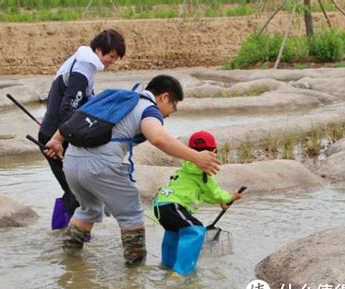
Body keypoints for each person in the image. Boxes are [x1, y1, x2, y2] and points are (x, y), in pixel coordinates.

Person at [44, 75, 221, 266]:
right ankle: (136, 274)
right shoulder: (148, 109)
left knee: (88, 210)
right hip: (101, 166)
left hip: (71, 162)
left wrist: (56, 140)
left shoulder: (116, 98)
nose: (170, 113)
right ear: (164, 97)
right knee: (132, 214)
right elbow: (158, 138)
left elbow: (75, 119)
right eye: (173, 107)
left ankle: (69, 263)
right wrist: (196, 157)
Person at [38, 29, 126, 216]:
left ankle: (59, 234)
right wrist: (62, 138)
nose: (113, 61)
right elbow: (67, 110)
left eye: (116, 58)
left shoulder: (81, 63)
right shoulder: (82, 70)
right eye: (111, 56)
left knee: (73, 189)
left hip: (54, 133)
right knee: (77, 192)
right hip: (56, 139)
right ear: (99, 50)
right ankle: (74, 241)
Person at [153, 130, 243, 276]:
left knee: (174, 232)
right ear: (214, 151)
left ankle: (167, 266)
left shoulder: (185, 168)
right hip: (174, 205)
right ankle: (181, 272)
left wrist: (221, 201)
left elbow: (202, 194)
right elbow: (214, 193)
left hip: (161, 205)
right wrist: (230, 197)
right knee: (195, 231)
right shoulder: (202, 171)